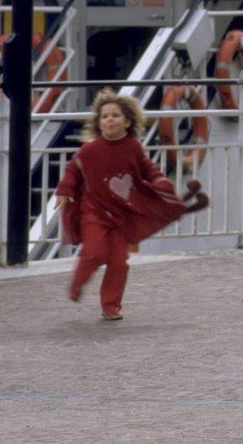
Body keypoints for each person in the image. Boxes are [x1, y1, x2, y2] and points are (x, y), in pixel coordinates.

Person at [54, 90, 208, 322]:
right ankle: (78, 280)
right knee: (94, 252)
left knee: (119, 262)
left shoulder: (133, 147)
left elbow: (149, 170)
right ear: (98, 122)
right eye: (104, 116)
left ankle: (111, 305)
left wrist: (161, 183)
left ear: (128, 121)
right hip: (94, 212)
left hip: (121, 215)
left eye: (115, 115)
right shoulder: (89, 150)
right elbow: (73, 171)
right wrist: (65, 191)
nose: (109, 120)